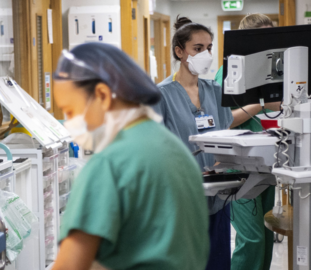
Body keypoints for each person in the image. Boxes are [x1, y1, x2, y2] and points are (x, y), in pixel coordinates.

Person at [52, 43, 209, 270]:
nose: (69, 123)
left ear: (102, 96)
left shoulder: (109, 164)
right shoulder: (175, 149)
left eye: (69, 111)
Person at [153, 16, 233, 270]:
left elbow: (226, 137)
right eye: (198, 49)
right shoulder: (161, 95)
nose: (206, 54)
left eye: (209, 48)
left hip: (217, 199)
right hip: (181, 202)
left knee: (218, 263)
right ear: (180, 51)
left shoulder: (215, 92)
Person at [214, 13, 279, 270]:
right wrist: (262, 104)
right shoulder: (229, 72)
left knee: (265, 234)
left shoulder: (269, 73)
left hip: (265, 160)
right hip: (238, 164)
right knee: (251, 237)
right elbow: (226, 120)